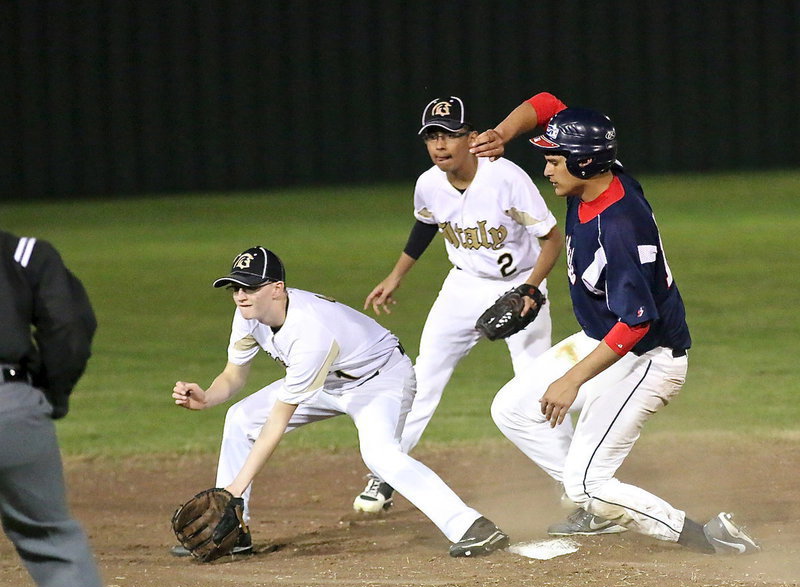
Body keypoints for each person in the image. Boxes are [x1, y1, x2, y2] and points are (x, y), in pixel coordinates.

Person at [469, 93, 760, 555]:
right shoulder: (601, 174)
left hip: (647, 358)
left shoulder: (618, 226)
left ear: (584, 163)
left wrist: (571, 379)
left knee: (588, 482)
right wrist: (503, 133)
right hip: (602, 338)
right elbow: (547, 105)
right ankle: (591, 497)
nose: (546, 169)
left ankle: (707, 537)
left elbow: (637, 323)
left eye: (554, 159)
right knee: (511, 408)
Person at [171, 246, 510, 558]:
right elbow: (234, 375)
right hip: (327, 379)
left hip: (380, 380)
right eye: (236, 288)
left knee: (380, 456)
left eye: (250, 287)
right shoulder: (248, 317)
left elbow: (277, 422)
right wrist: (208, 397)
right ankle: (233, 533)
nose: (241, 296)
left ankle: (471, 526)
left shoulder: (309, 331)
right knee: (241, 417)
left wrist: (233, 490)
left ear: (277, 288)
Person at [352, 95, 566, 515]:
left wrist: (531, 289)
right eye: (432, 135)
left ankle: (573, 477)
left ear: (472, 138)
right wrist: (396, 276)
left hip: (519, 286)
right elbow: (426, 224)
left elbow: (552, 239)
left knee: (539, 386)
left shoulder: (506, 178)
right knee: (419, 379)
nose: (440, 144)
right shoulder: (428, 183)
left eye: (449, 134)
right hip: (462, 288)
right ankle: (387, 471)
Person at [0, 230, 154, 587]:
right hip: (11, 407)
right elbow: (70, 327)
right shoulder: (22, 253)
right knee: (54, 546)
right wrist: (46, 396)